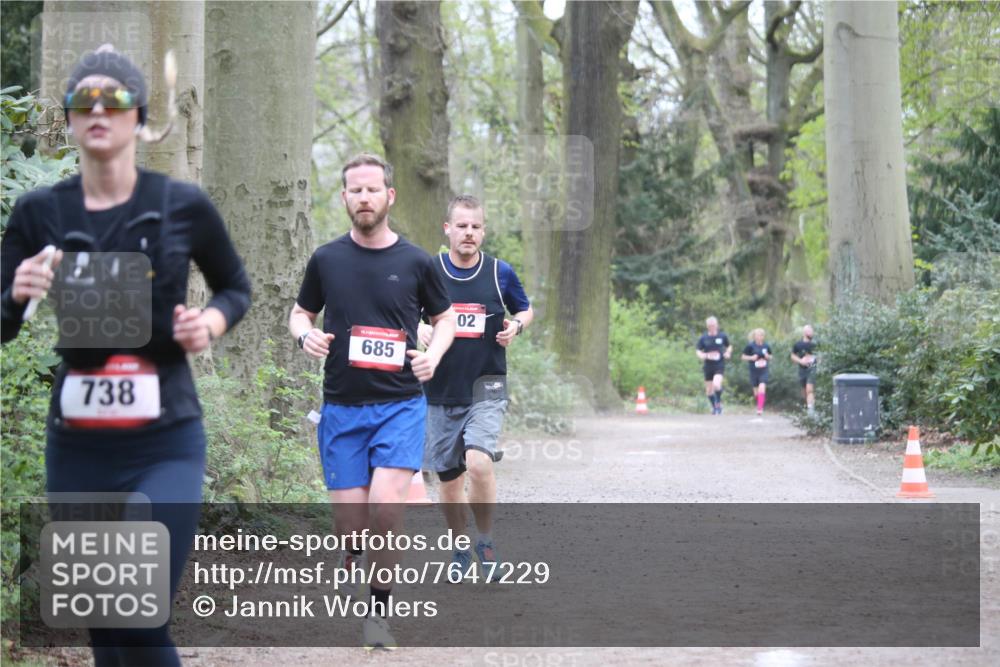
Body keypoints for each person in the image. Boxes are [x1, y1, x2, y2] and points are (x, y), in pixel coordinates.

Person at [1, 46, 251, 667]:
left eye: (112, 100)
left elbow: (235, 288)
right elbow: (3, 323)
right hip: (78, 444)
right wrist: (17, 294)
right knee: (103, 628)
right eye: (82, 100)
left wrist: (208, 324)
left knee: (133, 612)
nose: (97, 110)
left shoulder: (180, 206)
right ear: (68, 118)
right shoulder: (39, 213)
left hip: (163, 440)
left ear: (138, 116)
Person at [288, 153, 455, 650]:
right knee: (352, 528)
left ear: (389, 196)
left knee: (386, 509)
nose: (364, 198)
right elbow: (300, 313)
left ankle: (378, 614)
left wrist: (433, 356)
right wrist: (306, 337)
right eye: (354, 191)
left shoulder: (416, 262)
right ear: (344, 198)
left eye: (372, 189)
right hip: (341, 409)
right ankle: (351, 552)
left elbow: (444, 320)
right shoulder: (326, 259)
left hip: (401, 405)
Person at [416, 195, 533, 583]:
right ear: (447, 229)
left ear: (483, 230)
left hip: (487, 384)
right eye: (461, 225)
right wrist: (419, 329)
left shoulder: (500, 272)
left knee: (480, 462)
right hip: (440, 388)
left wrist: (517, 326)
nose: (469, 233)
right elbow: (405, 314)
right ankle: (459, 546)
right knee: (448, 480)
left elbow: (525, 308)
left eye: (476, 226)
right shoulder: (429, 271)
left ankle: (485, 540)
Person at [695, 317, 732, 414]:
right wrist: (702, 355)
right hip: (708, 366)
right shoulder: (704, 338)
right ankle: (715, 407)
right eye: (710, 326)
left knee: (717, 384)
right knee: (708, 391)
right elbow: (698, 350)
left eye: (713, 325)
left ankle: (718, 404)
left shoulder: (722, 336)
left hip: (719, 364)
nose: (712, 327)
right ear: (707, 327)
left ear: (717, 325)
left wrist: (728, 353)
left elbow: (729, 346)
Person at [741, 328, 773, 416]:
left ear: (763, 337)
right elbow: (743, 357)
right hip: (754, 371)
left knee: (762, 387)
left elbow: (771, 357)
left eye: (761, 335)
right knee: (756, 393)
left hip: (764, 370)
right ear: (754, 336)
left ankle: (760, 409)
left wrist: (767, 356)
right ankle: (759, 402)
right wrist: (751, 358)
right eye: (758, 335)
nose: (759, 337)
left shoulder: (766, 346)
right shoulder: (750, 346)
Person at [790, 324, 818, 415]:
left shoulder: (815, 344)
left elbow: (822, 355)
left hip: (812, 369)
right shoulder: (798, 344)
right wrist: (800, 361)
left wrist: (814, 358)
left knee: (809, 389)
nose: (811, 333)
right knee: (804, 390)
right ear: (805, 332)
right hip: (802, 370)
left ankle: (811, 411)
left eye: (812, 331)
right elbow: (792, 356)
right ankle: (807, 406)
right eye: (810, 331)